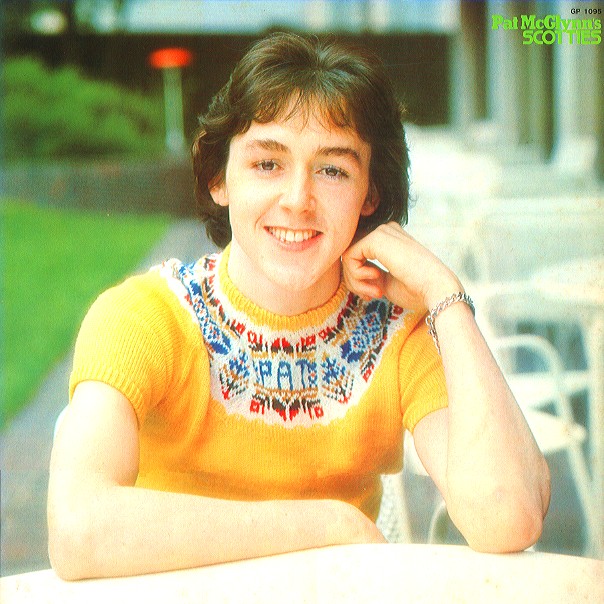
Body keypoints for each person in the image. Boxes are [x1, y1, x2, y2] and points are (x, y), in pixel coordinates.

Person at [47, 32, 550, 580]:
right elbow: (78, 530)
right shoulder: (144, 317)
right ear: (218, 178)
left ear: (369, 194)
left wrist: (443, 295)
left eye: (333, 170)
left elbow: (509, 519)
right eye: (267, 164)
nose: (297, 200)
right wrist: (329, 525)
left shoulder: (398, 335)